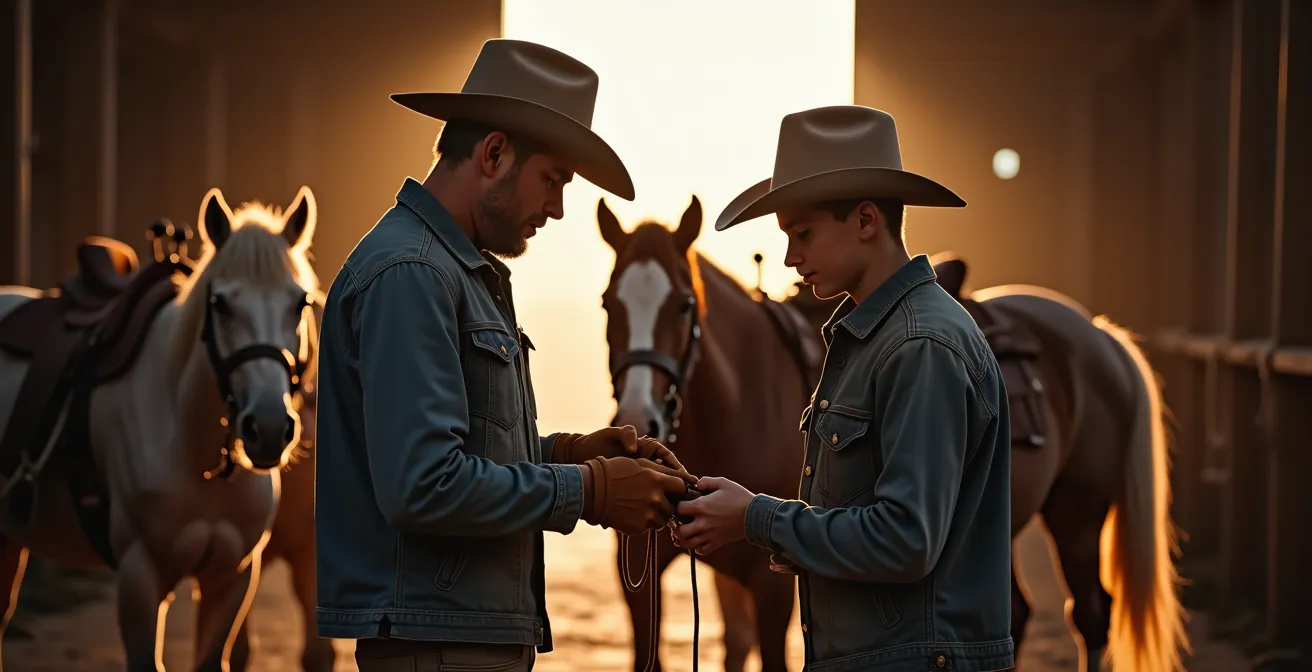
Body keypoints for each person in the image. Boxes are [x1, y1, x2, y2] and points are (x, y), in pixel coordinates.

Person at [313, 39, 696, 672]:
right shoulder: (412, 274)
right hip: (437, 645)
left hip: (459, 637)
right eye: (552, 181)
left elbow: (461, 456)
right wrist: (591, 492)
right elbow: (423, 487)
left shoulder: (453, 272)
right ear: (493, 154)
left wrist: (573, 453)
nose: (557, 208)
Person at [672, 105, 1015, 672]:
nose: (790, 257)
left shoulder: (919, 345)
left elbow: (906, 539)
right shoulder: (871, 337)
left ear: (864, 221)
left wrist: (756, 517)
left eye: (802, 234)